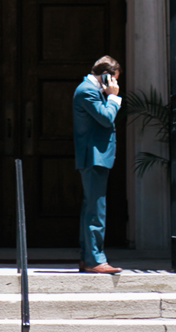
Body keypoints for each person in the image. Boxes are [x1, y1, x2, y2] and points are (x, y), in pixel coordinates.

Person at [71, 54, 123, 273]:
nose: (116, 85)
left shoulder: (92, 90)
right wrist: (113, 97)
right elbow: (105, 117)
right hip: (94, 157)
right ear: (106, 76)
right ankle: (95, 260)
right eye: (115, 79)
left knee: (91, 207)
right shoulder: (87, 91)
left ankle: (87, 257)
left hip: (96, 157)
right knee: (96, 210)